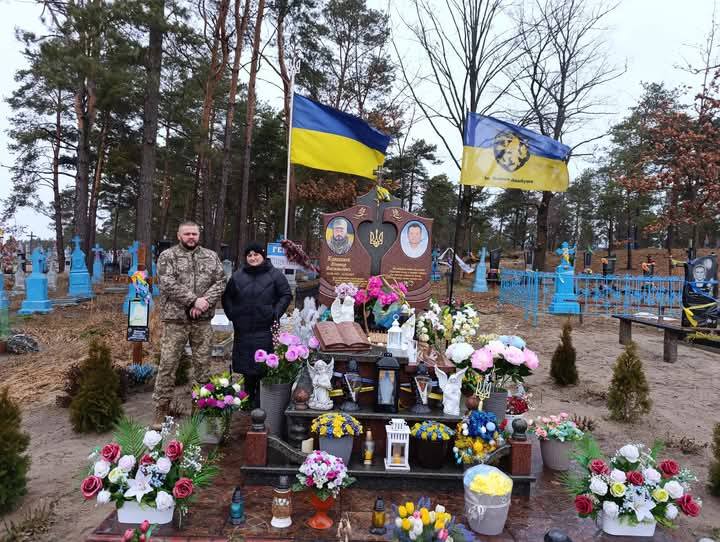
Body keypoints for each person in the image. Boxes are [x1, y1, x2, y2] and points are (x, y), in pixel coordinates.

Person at [153, 221, 226, 426]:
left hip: (201, 322)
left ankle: (199, 409)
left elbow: (220, 282)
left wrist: (203, 304)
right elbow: (167, 283)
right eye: (187, 234)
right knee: (168, 365)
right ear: (179, 235)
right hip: (175, 321)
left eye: (194, 233)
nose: (191, 237)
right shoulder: (168, 256)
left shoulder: (211, 256)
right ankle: (161, 410)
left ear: (199, 235)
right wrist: (193, 300)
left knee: (203, 367)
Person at [222, 242, 292, 407]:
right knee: (247, 366)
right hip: (243, 329)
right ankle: (247, 400)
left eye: (256, 255)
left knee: (263, 365)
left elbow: (286, 294)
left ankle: (262, 402)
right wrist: (233, 315)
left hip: (265, 328)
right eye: (249, 255)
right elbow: (227, 297)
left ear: (263, 256)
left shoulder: (275, 275)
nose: (253, 258)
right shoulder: (238, 276)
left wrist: (275, 312)